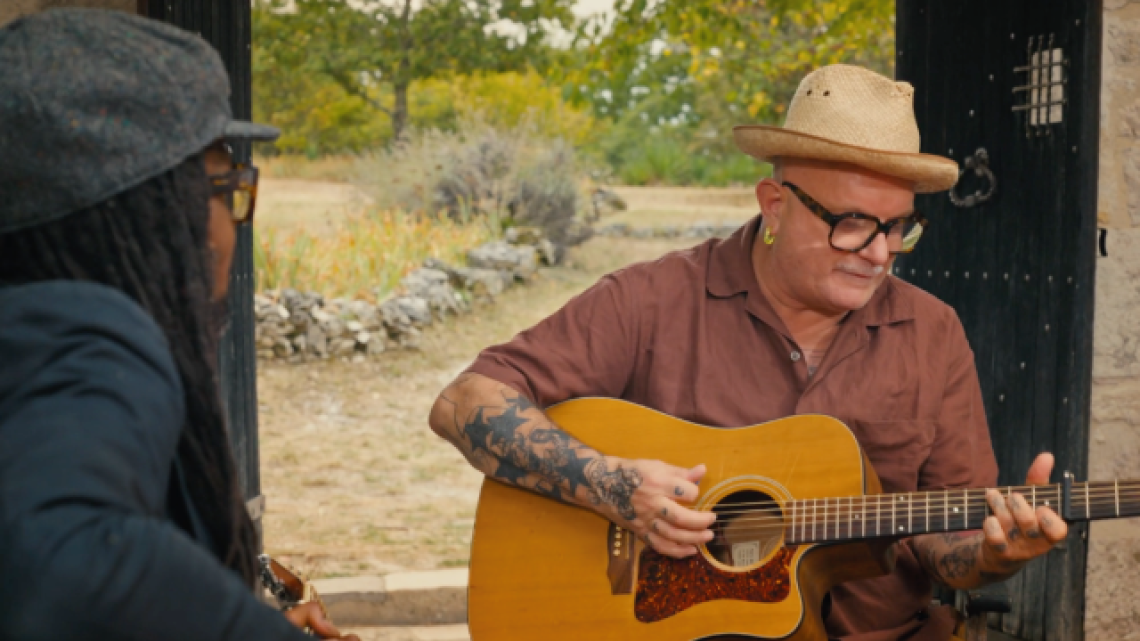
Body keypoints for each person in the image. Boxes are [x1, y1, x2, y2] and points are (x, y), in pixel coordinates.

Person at [429, 64, 1067, 640]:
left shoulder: (933, 331)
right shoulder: (652, 299)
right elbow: (463, 402)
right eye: (851, 223)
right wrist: (611, 485)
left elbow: (946, 534)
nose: (879, 254)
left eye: (899, 228)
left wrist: (989, 557)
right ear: (775, 206)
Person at [0, 9, 356, 640]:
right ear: (156, 216)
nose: (233, 223)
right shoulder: (92, 338)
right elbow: (56, 561)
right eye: (226, 187)